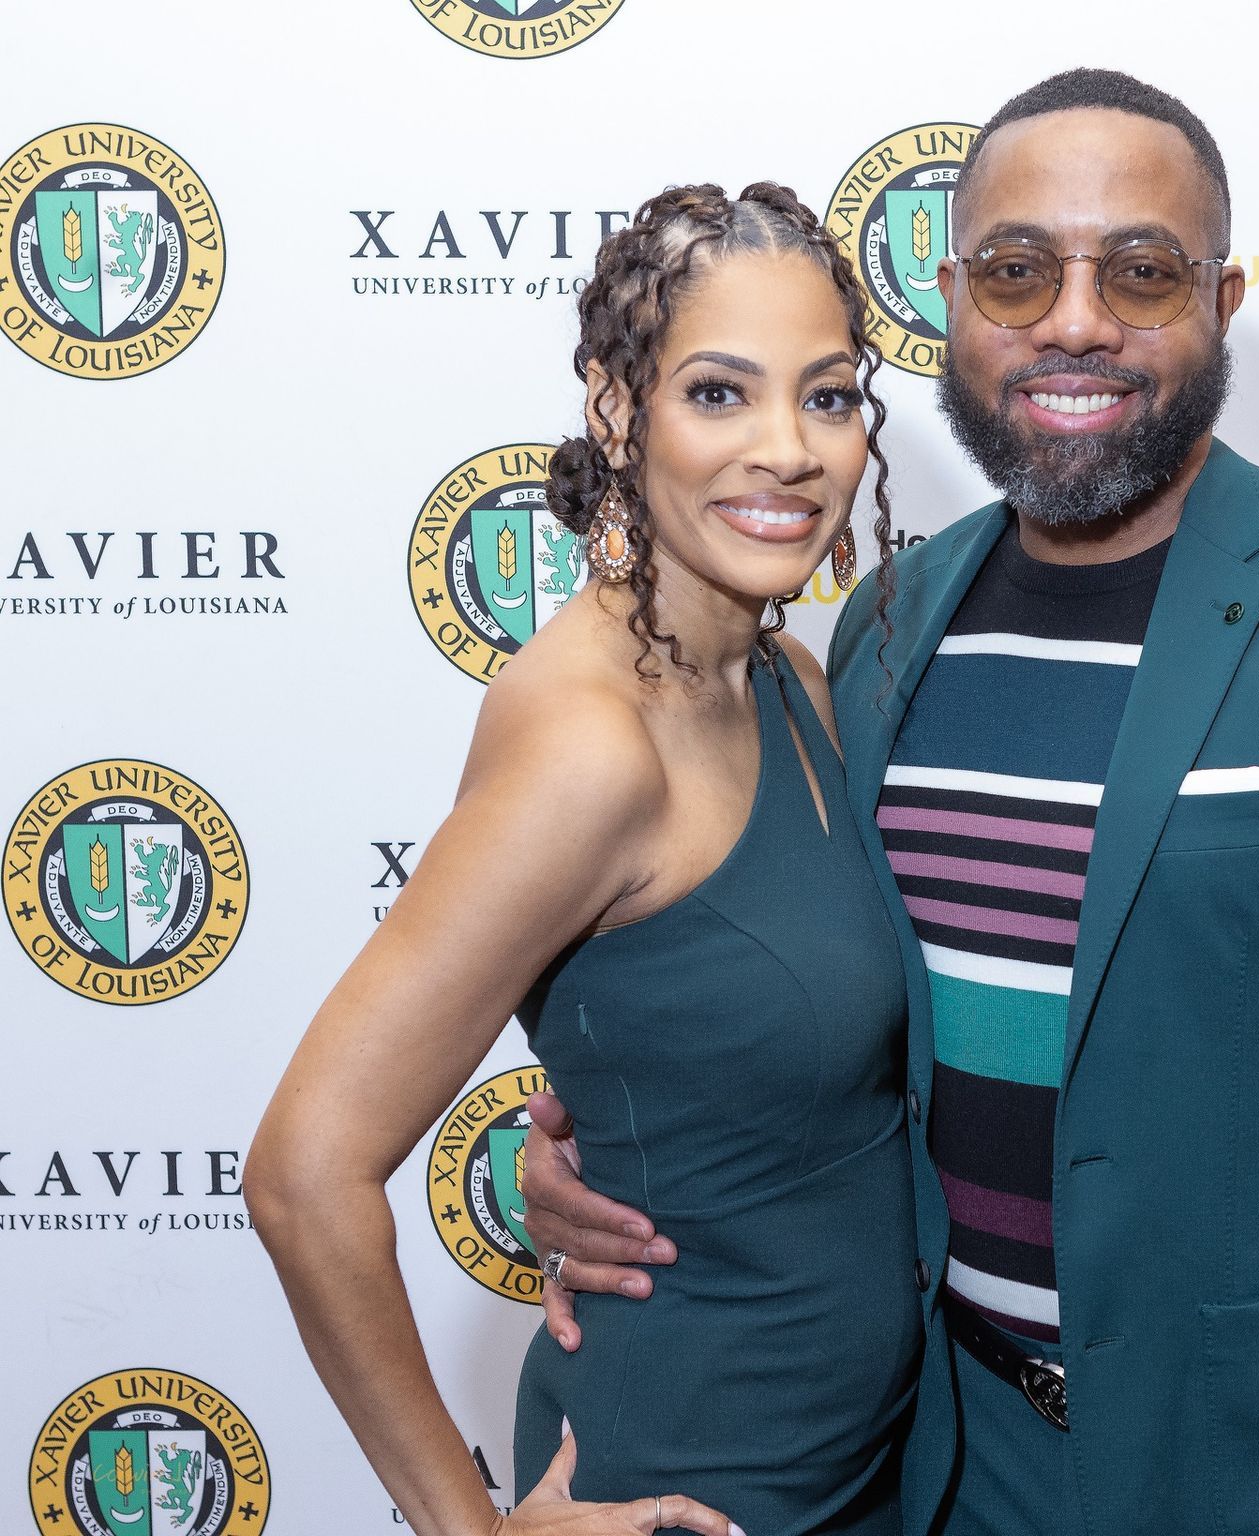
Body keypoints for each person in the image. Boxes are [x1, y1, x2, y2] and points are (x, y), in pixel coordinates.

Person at [522, 69, 1259, 1536]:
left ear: (1222, 302)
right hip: (938, 1467)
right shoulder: (883, 627)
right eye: (1020, 272)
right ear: (954, 304)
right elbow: (801, 987)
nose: (1075, 322)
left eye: (1141, 273)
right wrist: (615, 1133)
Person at [245, 182, 923, 1536]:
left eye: (829, 396)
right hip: (685, 1486)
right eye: (720, 394)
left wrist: (596, 1127)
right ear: (619, 412)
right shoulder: (589, 746)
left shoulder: (791, 677)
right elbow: (303, 1172)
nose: (788, 450)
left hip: (865, 1475)